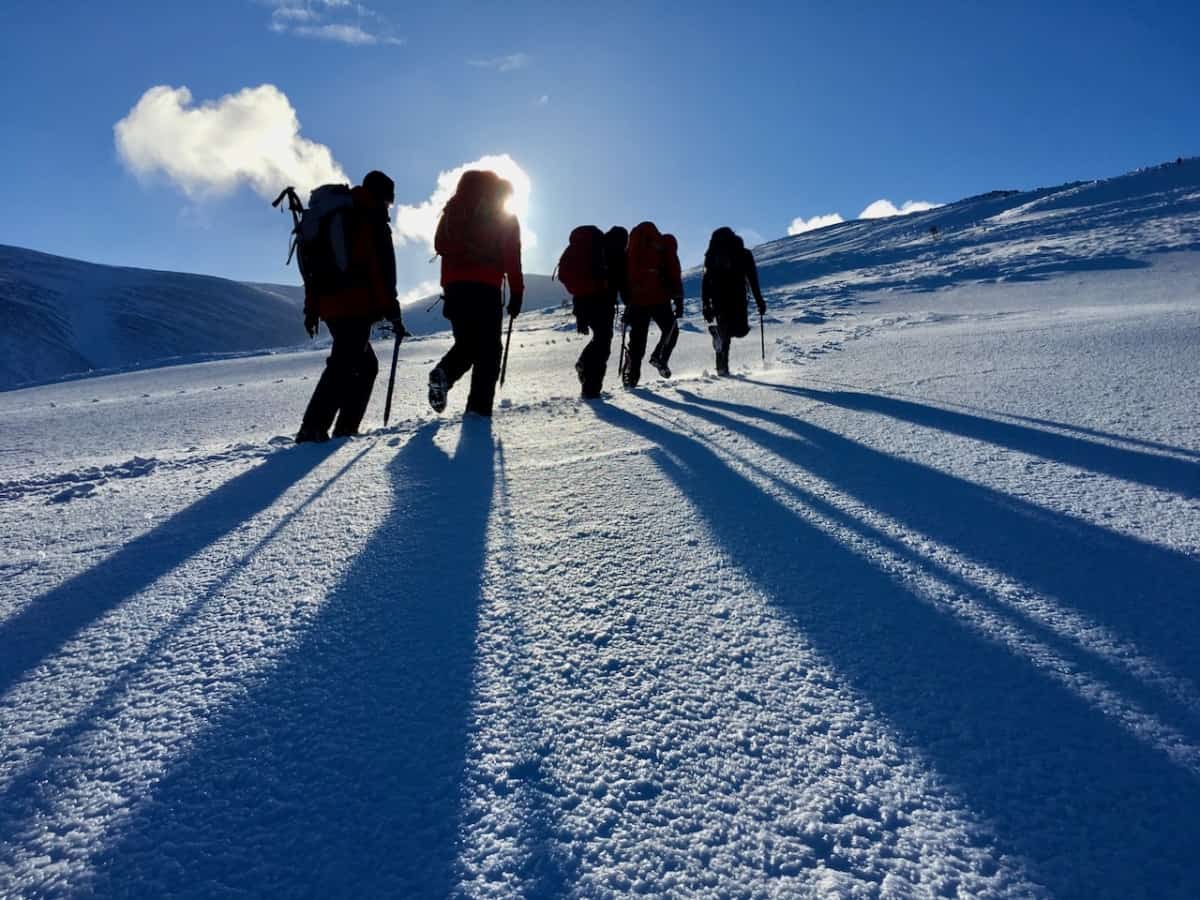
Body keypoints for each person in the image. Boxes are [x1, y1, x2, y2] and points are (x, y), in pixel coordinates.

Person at [296, 170, 404, 443]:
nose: (389, 206)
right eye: (389, 201)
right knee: (344, 365)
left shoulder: (338, 214)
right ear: (383, 195)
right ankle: (313, 429)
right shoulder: (369, 217)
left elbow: (311, 272)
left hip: (330, 304)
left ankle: (344, 428)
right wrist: (392, 309)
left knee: (362, 365)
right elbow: (379, 270)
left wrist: (312, 308)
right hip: (354, 304)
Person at [427, 170, 524, 417]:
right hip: (485, 287)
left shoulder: (455, 209)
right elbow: (512, 257)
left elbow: (440, 244)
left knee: (468, 344)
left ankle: (444, 374)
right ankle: (478, 412)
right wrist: (517, 292)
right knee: (489, 351)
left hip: (454, 288)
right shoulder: (504, 216)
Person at [559, 225, 628, 399]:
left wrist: (580, 313)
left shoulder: (595, 247)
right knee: (603, 343)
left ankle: (586, 373)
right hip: (603, 303)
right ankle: (591, 388)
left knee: (600, 340)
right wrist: (630, 304)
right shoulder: (617, 252)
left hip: (583, 302)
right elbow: (623, 284)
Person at [622, 221, 681, 387]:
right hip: (659, 298)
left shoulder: (632, 247)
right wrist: (678, 298)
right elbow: (674, 271)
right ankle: (659, 358)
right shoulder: (664, 244)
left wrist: (628, 300)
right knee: (671, 331)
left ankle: (632, 377)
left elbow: (624, 275)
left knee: (638, 339)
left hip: (637, 300)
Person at [701, 227, 765, 376]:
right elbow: (752, 279)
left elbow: (705, 281)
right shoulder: (744, 253)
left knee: (726, 332)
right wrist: (759, 301)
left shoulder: (711, 254)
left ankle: (722, 366)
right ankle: (723, 368)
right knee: (739, 330)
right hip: (738, 296)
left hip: (718, 297)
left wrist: (706, 304)